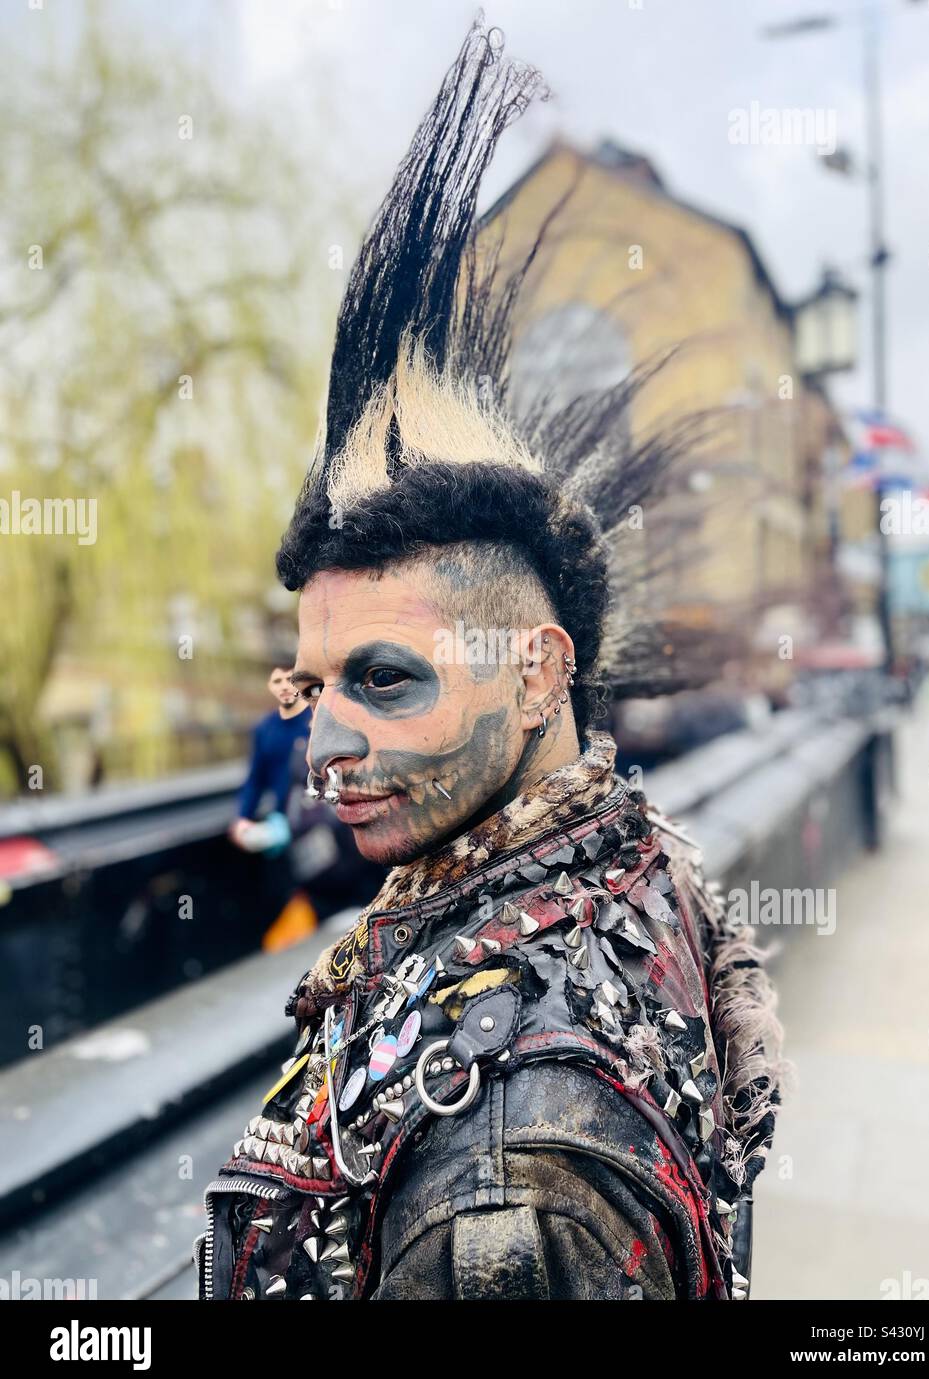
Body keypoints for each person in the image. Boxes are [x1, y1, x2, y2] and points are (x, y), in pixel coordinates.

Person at [196, 19, 783, 1302]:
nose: (326, 748)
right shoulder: (629, 853)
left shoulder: (512, 1185)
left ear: (536, 672)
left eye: (385, 679)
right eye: (312, 690)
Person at [230, 665, 311, 852]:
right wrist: (243, 818)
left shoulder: (317, 719)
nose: (284, 687)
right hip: (285, 821)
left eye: (290, 680)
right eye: (277, 681)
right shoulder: (265, 729)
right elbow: (255, 779)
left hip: (321, 817)